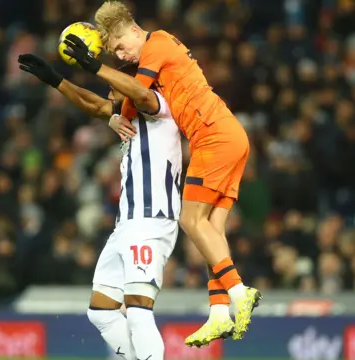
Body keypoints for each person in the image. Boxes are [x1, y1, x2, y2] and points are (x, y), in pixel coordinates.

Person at [61, 0, 261, 346]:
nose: (122, 56)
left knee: (190, 220)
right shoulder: (157, 52)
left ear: (134, 30)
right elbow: (120, 103)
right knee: (211, 228)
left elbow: (137, 92)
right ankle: (218, 310)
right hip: (228, 135)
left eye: (121, 47)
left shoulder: (156, 44)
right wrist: (94, 103)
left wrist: (94, 67)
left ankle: (239, 291)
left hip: (213, 136)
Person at [18, 55, 182, 360]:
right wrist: (56, 80)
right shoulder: (128, 115)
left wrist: (94, 66)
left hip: (150, 219)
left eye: (113, 88)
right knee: (101, 311)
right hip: (127, 225)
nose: (109, 94)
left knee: (137, 309)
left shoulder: (160, 105)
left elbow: (141, 94)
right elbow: (94, 104)